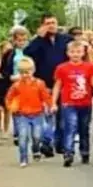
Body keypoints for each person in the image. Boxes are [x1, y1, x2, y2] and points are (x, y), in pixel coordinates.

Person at [24, 14, 70, 156]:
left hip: (62, 84)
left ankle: (60, 143)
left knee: (62, 118)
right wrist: (38, 38)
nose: (51, 25)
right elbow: (27, 53)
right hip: (43, 84)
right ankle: (46, 143)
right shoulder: (38, 42)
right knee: (46, 117)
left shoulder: (65, 40)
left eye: (53, 22)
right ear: (42, 25)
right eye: (48, 23)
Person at [52, 39, 93, 167]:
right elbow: (57, 85)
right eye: (72, 52)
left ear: (83, 53)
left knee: (84, 129)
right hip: (68, 103)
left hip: (85, 103)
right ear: (67, 53)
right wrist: (53, 103)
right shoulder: (62, 68)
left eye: (78, 52)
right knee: (70, 128)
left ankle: (85, 152)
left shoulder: (89, 67)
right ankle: (68, 153)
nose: (75, 54)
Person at [5, 57, 52, 167]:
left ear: (33, 70)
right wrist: (10, 107)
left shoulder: (40, 84)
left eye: (27, 72)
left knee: (37, 136)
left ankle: (36, 149)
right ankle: (23, 158)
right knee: (22, 136)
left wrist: (51, 106)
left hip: (37, 114)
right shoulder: (16, 85)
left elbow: (46, 96)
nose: (25, 75)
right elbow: (9, 97)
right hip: (21, 115)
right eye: (22, 72)